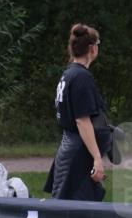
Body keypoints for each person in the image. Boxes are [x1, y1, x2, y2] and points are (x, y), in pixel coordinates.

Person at [44, 24, 110, 202]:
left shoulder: (69, 74)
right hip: (77, 151)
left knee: (73, 204)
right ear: (92, 48)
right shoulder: (81, 77)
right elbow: (82, 121)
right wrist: (97, 158)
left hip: (71, 147)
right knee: (76, 210)